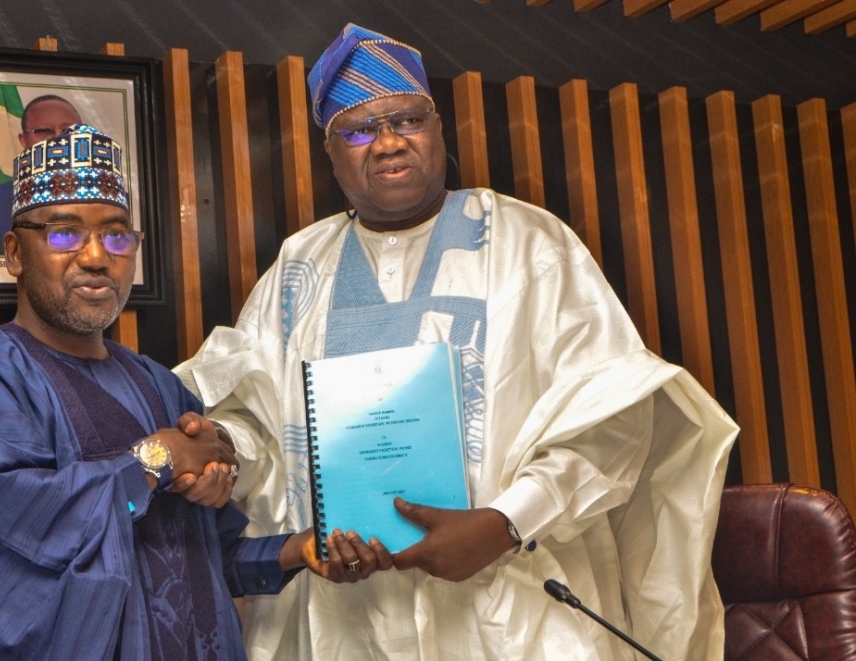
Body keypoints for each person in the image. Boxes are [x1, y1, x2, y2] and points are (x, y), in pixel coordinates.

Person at [175, 23, 739, 660]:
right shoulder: (300, 265)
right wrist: (221, 447)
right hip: (344, 614)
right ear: (330, 152)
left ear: (439, 130)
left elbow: (612, 417)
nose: (388, 142)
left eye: (408, 119)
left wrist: (505, 524)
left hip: (511, 604)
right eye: (359, 130)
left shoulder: (531, 244)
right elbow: (252, 417)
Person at [0, 124, 356, 660]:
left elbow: (201, 556)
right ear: (15, 253)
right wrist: (158, 458)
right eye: (63, 234)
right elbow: (25, 526)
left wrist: (298, 549)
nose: (97, 256)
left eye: (117, 235)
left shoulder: (159, 385)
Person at [0, 95, 83, 256]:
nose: (58, 139)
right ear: (24, 141)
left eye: (69, 131)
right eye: (44, 131)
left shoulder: (117, 199)